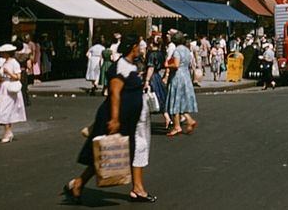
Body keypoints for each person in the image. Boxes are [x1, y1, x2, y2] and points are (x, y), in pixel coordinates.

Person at [65, 36, 156, 204]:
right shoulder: (120, 67)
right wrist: (114, 119)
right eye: (139, 46)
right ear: (133, 47)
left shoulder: (131, 65)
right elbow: (114, 93)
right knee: (104, 154)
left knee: (113, 153)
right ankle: (78, 183)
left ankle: (136, 188)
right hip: (116, 117)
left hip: (129, 119)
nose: (141, 49)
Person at [0, 44, 26, 143]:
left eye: (3, 52)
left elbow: (18, 77)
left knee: (6, 109)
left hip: (10, 87)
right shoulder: (4, 62)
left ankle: (8, 132)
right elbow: (1, 78)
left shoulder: (14, 63)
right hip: (2, 87)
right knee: (2, 109)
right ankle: (7, 131)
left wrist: (9, 73)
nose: (1, 54)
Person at [164, 34, 199, 136]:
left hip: (177, 77)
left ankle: (177, 126)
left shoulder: (177, 50)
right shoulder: (187, 50)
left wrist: (167, 65)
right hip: (186, 76)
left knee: (174, 99)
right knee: (181, 100)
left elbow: (176, 64)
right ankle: (189, 120)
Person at [144, 38, 170, 131]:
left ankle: (146, 122)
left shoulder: (151, 54)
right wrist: (166, 76)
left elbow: (150, 67)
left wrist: (147, 80)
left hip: (152, 77)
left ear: (151, 44)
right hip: (158, 77)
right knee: (160, 98)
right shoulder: (161, 53)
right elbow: (166, 65)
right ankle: (167, 118)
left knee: (149, 99)